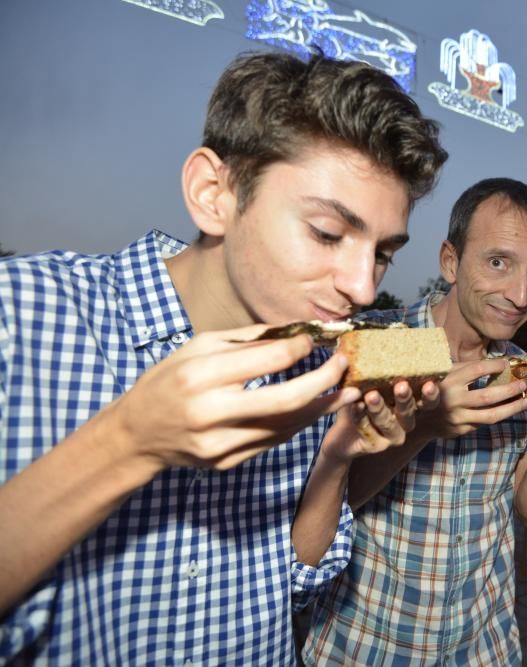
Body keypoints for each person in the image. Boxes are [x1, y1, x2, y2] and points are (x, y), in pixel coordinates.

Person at [0, 52, 449, 664]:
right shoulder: (21, 312)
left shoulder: (320, 365)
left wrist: (338, 452)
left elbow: (297, 585)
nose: (364, 289)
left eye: (382, 253)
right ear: (215, 194)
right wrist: (131, 442)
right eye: (326, 233)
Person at [303, 178, 527, 665]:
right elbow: (327, 505)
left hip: (483, 647)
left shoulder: (521, 368)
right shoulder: (384, 344)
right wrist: (426, 426)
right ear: (451, 261)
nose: (521, 294)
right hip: (368, 646)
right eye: (498, 262)